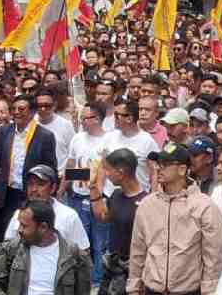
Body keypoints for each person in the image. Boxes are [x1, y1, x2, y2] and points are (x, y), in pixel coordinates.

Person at [130, 144, 222, 295]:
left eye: (165, 165)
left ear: (182, 169)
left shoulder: (204, 206)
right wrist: (134, 286)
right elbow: (138, 250)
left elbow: (213, 256)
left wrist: (210, 290)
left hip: (188, 290)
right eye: (158, 164)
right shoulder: (147, 205)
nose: (159, 168)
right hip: (152, 289)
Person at [0, 95, 57, 248]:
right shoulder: (5, 132)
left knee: (27, 234)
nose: (16, 112)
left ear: (32, 112)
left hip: (30, 194)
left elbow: (50, 170)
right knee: (2, 236)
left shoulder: (45, 136)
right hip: (7, 193)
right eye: (13, 109)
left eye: (21, 109)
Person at [0, 200, 92, 295]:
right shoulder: (11, 249)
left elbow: (83, 291)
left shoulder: (74, 255)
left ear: (43, 227)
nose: (19, 230)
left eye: (24, 226)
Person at [88, 148, 147, 295]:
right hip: (112, 268)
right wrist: (93, 187)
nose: (106, 175)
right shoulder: (116, 194)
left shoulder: (146, 202)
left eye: (108, 170)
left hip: (133, 273)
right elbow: (102, 217)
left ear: (120, 173)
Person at [64, 101, 108, 284]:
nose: (82, 121)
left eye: (86, 118)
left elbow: (107, 171)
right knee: (78, 242)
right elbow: (71, 165)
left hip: (100, 198)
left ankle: (98, 280)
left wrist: (91, 178)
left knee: (100, 243)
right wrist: (61, 188)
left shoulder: (109, 140)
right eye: (81, 118)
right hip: (76, 196)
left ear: (97, 119)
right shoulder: (77, 138)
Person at [101, 98, 160, 194]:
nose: (113, 118)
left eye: (117, 115)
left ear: (129, 118)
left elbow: (154, 173)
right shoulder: (109, 137)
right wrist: (100, 193)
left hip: (137, 197)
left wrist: (152, 197)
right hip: (110, 196)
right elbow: (102, 167)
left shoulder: (147, 141)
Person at [35, 87, 75, 172]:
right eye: (39, 106)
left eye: (47, 106)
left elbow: (73, 154)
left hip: (60, 176)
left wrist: (67, 179)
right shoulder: (30, 123)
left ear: (54, 105)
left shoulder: (66, 125)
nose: (43, 109)